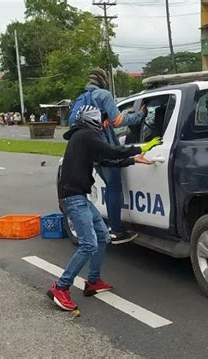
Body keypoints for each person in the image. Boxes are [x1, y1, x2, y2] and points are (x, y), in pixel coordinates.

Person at [48, 105, 161, 311]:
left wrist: (132, 159)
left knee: (102, 236)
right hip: (74, 198)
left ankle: (93, 281)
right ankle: (61, 287)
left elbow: (107, 159)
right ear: (92, 121)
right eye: (100, 120)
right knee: (89, 244)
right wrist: (140, 148)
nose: (103, 124)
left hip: (79, 197)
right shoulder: (85, 136)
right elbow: (111, 150)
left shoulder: (82, 139)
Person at [71, 67, 148, 244]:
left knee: (108, 188)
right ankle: (116, 230)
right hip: (104, 146)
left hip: (90, 150)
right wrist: (139, 115)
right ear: (103, 81)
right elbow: (117, 121)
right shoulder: (103, 95)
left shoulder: (81, 99)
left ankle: (102, 226)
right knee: (114, 188)